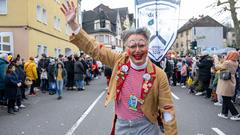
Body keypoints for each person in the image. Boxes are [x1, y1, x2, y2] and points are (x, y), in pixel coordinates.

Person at [61, 1, 177, 135]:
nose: (137, 50)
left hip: (147, 126)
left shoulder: (159, 74)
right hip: (122, 126)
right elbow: (94, 48)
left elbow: (167, 109)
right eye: (132, 46)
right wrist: (73, 24)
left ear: (148, 46)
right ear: (126, 48)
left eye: (141, 45)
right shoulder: (120, 61)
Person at [216, 51, 240, 120]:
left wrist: (216, 60)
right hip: (231, 80)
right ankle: (224, 113)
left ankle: (236, 114)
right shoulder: (235, 62)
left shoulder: (228, 62)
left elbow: (218, 67)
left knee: (226, 99)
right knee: (226, 98)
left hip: (226, 82)